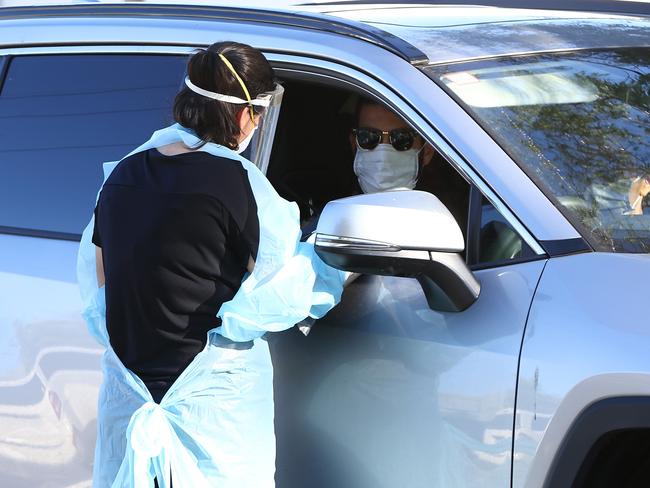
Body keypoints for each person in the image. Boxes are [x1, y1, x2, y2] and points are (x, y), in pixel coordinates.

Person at [77, 41, 345, 487]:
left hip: (129, 397)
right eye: (258, 115)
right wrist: (335, 263)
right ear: (244, 114)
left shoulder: (123, 174)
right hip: (212, 410)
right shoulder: (243, 186)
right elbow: (280, 293)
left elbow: (103, 281)